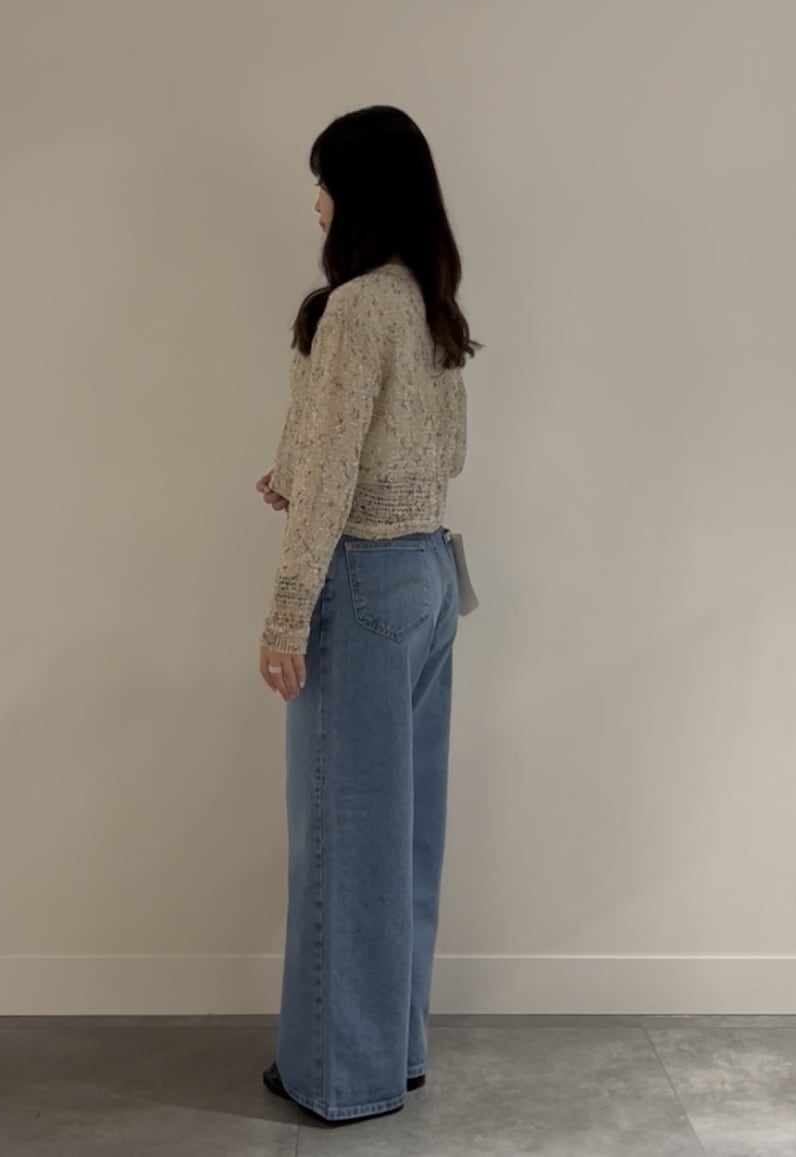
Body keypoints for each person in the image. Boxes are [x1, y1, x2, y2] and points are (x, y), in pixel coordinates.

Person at [255, 105, 476, 1123]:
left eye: (325, 181)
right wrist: (295, 474)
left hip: (362, 582)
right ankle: (394, 1050)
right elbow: (432, 451)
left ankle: (341, 1075)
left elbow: (341, 470)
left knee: (344, 836)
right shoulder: (428, 302)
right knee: (404, 834)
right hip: (430, 575)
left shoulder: (352, 308)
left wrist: (285, 615)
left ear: (360, 193)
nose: (316, 201)